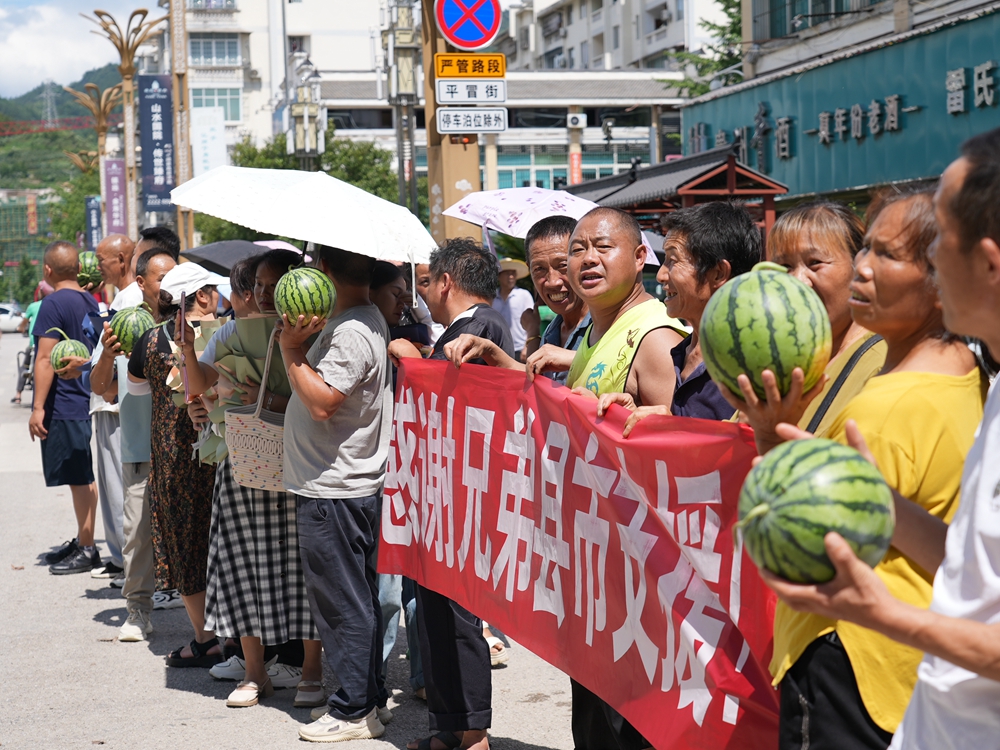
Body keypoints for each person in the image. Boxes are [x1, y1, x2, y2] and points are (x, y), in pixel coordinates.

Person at [748, 188, 986, 750]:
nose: (863, 268)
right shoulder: (968, 376)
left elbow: (800, 534)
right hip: (905, 665)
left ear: (942, 277)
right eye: (865, 251)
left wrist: (768, 435)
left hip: (849, 656)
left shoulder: (886, 405)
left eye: (887, 255)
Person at [181, 249, 323, 708]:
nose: (262, 293)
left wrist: (272, 397)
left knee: (305, 572)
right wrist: (186, 348)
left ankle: (311, 673)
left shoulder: (319, 335)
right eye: (257, 285)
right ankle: (255, 673)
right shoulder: (228, 331)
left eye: (272, 284)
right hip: (242, 461)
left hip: (300, 465)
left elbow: (327, 399)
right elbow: (197, 384)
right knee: (241, 567)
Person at [388, 238, 513, 750]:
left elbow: (458, 402)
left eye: (424, 282)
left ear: (445, 282)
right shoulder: (469, 327)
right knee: (435, 619)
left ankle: (474, 731)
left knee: (460, 620)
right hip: (443, 495)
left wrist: (411, 360)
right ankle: (447, 726)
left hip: (466, 496)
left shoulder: (479, 328)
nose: (422, 294)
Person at [278, 245, 393, 743]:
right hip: (344, 485)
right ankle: (370, 698)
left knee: (342, 605)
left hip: (335, 488)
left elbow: (324, 403)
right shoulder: (358, 319)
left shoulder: (351, 330)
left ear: (323, 269)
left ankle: (351, 711)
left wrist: (290, 350)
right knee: (358, 600)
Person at [720, 201, 887, 453]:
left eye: (815, 263)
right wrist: (669, 425)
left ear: (858, 267)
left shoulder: (882, 365)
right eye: (785, 266)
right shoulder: (782, 356)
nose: (797, 281)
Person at [126, 262, 226, 667]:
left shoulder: (149, 342)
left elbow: (134, 389)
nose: (218, 298)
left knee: (185, 544)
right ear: (200, 296)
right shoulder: (227, 334)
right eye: (213, 291)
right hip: (224, 455)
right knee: (223, 540)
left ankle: (205, 636)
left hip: (172, 458)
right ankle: (237, 633)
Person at [601, 202, 763, 437]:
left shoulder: (754, 360)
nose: (660, 275)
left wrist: (675, 428)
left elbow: (748, 449)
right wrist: (635, 414)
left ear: (718, 273)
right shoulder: (682, 352)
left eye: (673, 261)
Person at [91, 247, 177, 640]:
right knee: (137, 533)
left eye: (173, 276)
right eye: (161, 277)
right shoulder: (121, 326)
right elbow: (101, 388)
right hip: (140, 445)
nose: (169, 284)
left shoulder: (183, 325)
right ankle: (137, 611)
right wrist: (108, 355)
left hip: (183, 447)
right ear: (141, 283)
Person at [445, 216, 588, 388]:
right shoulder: (553, 329)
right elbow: (535, 379)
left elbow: (622, 369)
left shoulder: (607, 324)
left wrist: (575, 359)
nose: (552, 281)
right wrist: (488, 349)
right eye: (539, 269)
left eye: (563, 265)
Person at [30, 241, 102, 575]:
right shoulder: (91, 300)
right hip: (90, 396)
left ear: (48, 271)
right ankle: (83, 539)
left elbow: (44, 359)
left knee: (78, 476)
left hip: (66, 401)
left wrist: (38, 407)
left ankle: (88, 547)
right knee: (82, 474)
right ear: (77, 268)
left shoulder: (51, 303)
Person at [86, 233, 138, 581]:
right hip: (108, 403)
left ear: (121, 259)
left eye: (103, 258)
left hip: (118, 406)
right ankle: (122, 561)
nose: (98, 264)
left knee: (123, 492)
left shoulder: (132, 298)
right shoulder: (121, 296)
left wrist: (111, 388)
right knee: (112, 488)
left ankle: (131, 565)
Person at [12, 280, 52, 405]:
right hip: (51, 343)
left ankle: (18, 395)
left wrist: (21, 328)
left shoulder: (33, 306)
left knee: (23, 367)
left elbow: (23, 324)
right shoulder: (54, 305)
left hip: (34, 344)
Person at [492, 257, 534, 360]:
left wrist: (527, 347)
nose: (511, 277)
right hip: (497, 349)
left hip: (519, 350)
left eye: (513, 273)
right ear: (499, 276)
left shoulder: (523, 295)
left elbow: (532, 322)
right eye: (507, 273)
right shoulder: (492, 297)